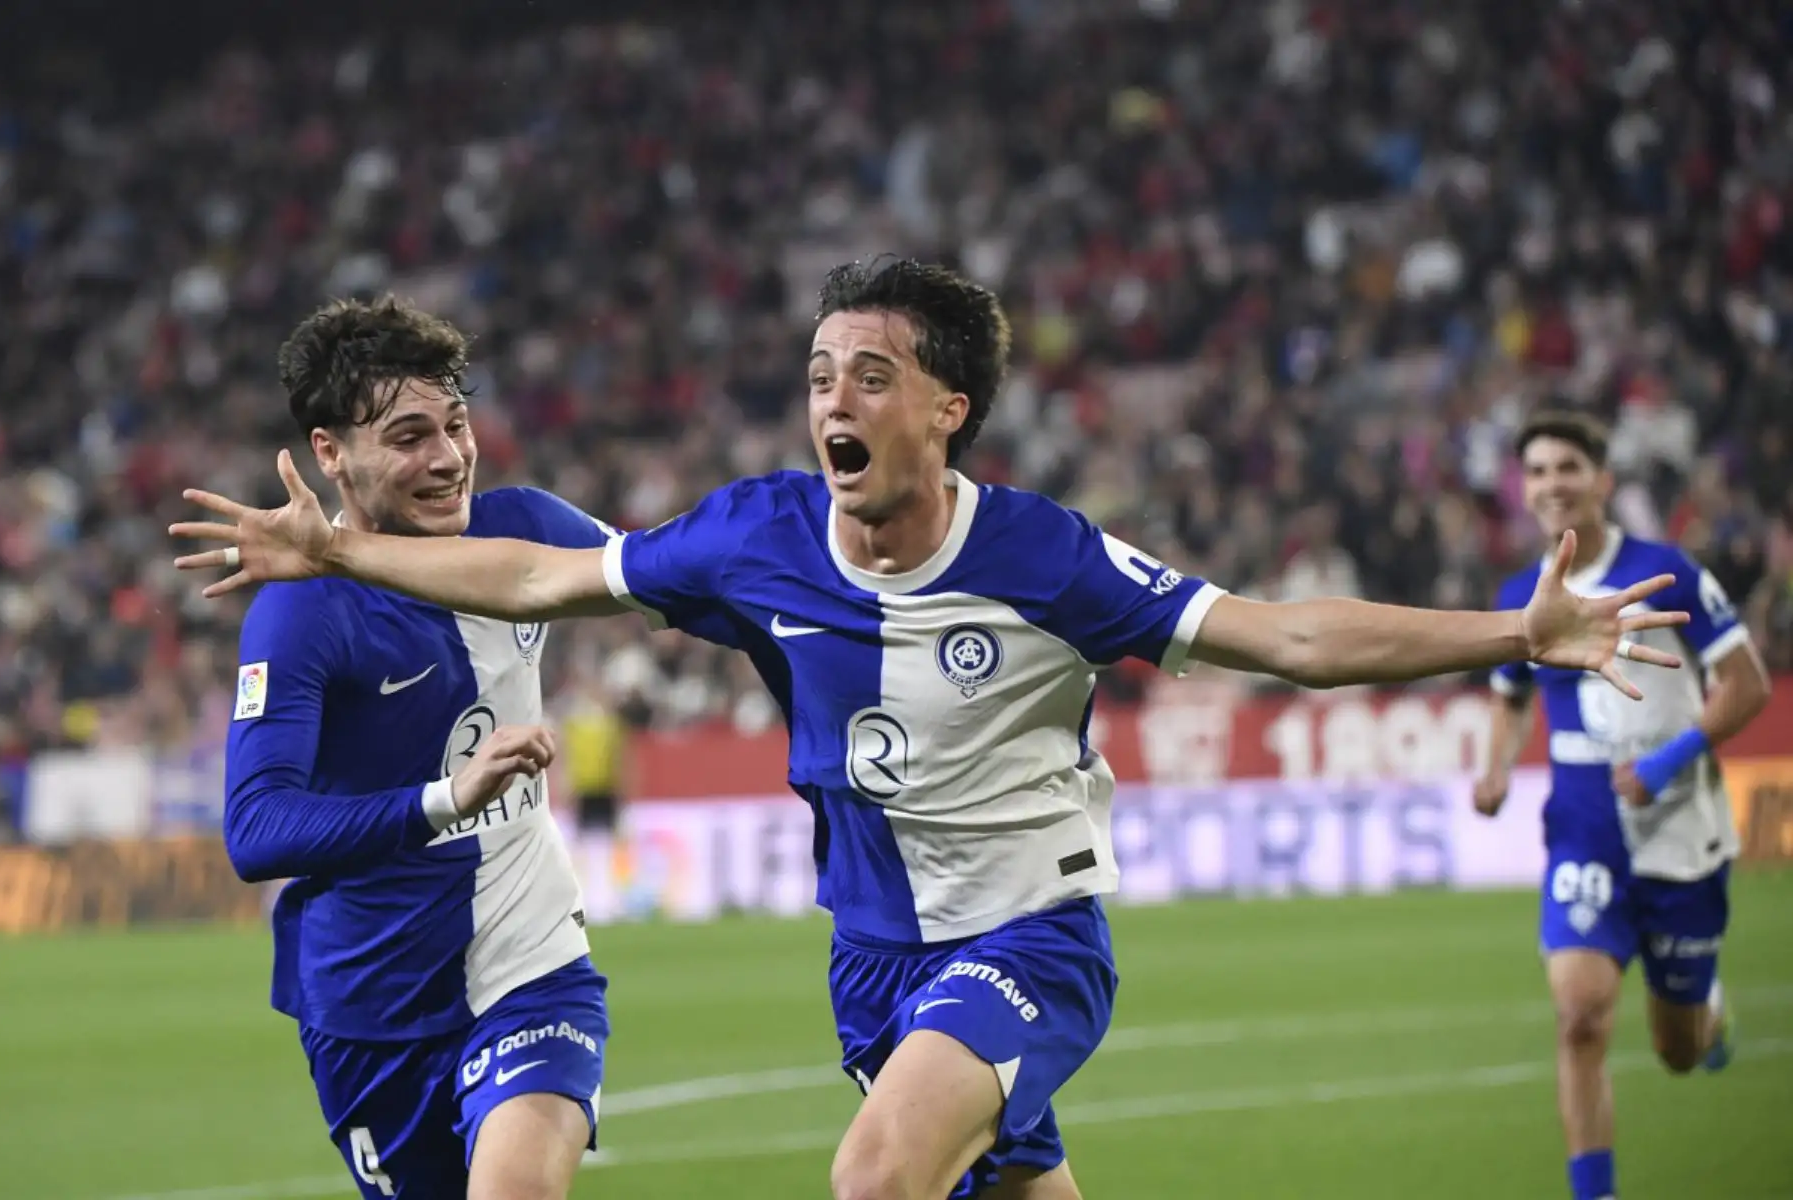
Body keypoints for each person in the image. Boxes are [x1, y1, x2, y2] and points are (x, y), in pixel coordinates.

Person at [175, 260, 1690, 1200]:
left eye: (871, 375)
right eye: (820, 372)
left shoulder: (1045, 557)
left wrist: (1513, 630)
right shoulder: (756, 538)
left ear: (947, 409)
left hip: (1027, 938)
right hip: (871, 960)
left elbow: (1284, 637)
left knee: (878, 1176)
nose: (832, 396)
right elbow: (549, 576)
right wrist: (340, 553)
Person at [221, 296, 617, 1199]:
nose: (447, 458)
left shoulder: (530, 529)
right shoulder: (299, 612)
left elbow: (673, 579)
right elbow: (257, 829)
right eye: (408, 436)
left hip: (534, 963)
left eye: (457, 423)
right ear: (331, 453)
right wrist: (445, 799)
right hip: (372, 1010)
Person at [1472, 410, 1771, 1200]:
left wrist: (1668, 762)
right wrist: (1496, 766)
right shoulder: (1520, 594)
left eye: (1567, 466)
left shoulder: (1667, 571)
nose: (1551, 483)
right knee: (1580, 1018)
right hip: (1584, 836)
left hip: (1679, 835)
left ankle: (1706, 1006)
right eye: (1535, 470)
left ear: (1603, 480)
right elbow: (1508, 695)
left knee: (1678, 1049)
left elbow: (1748, 685)